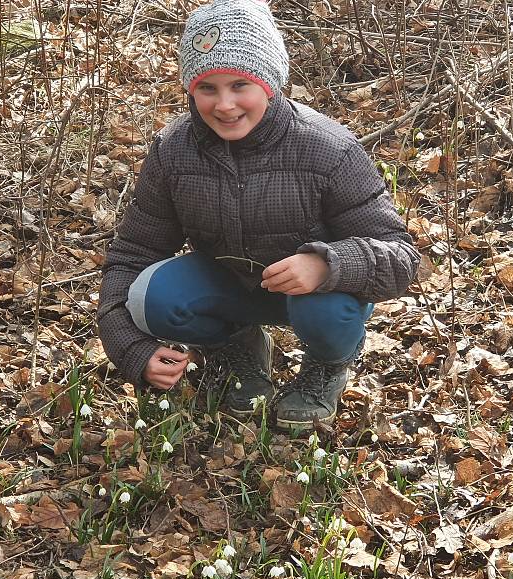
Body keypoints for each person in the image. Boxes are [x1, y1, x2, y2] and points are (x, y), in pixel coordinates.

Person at [97, 0, 420, 430]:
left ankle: (326, 366)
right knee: (149, 296)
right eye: (207, 88)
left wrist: (326, 264)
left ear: (269, 83)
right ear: (190, 89)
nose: (225, 105)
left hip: (317, 298)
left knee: (327, 311)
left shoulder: (329, 148)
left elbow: (401, 256)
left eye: (239, 85)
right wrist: (130, 348)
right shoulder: (172, 151)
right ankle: (236, 348)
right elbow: (132, 254)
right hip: (230, 285)